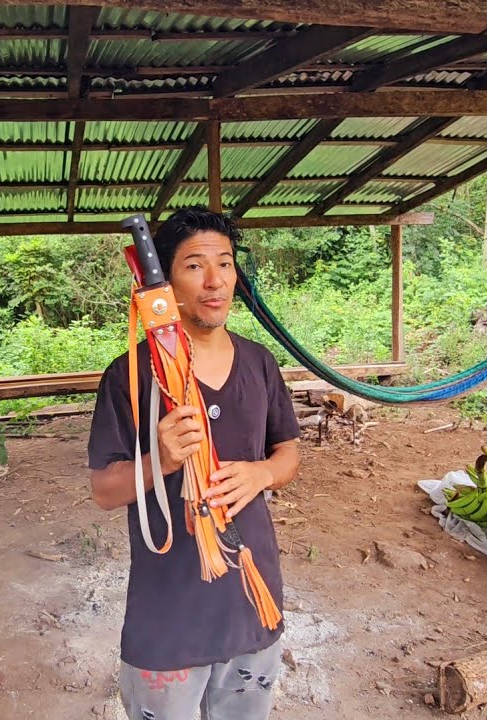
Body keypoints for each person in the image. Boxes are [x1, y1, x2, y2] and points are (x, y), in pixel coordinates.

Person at [88, 207, 302, 719]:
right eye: (194, 266)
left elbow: (288, 450)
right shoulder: (130, 376)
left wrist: (262, 473)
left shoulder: (259, 362)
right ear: (162, 282)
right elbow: (103, 490)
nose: (215, 281)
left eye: (225, 264)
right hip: (169, 616)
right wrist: (160, 459)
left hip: (252, 600)